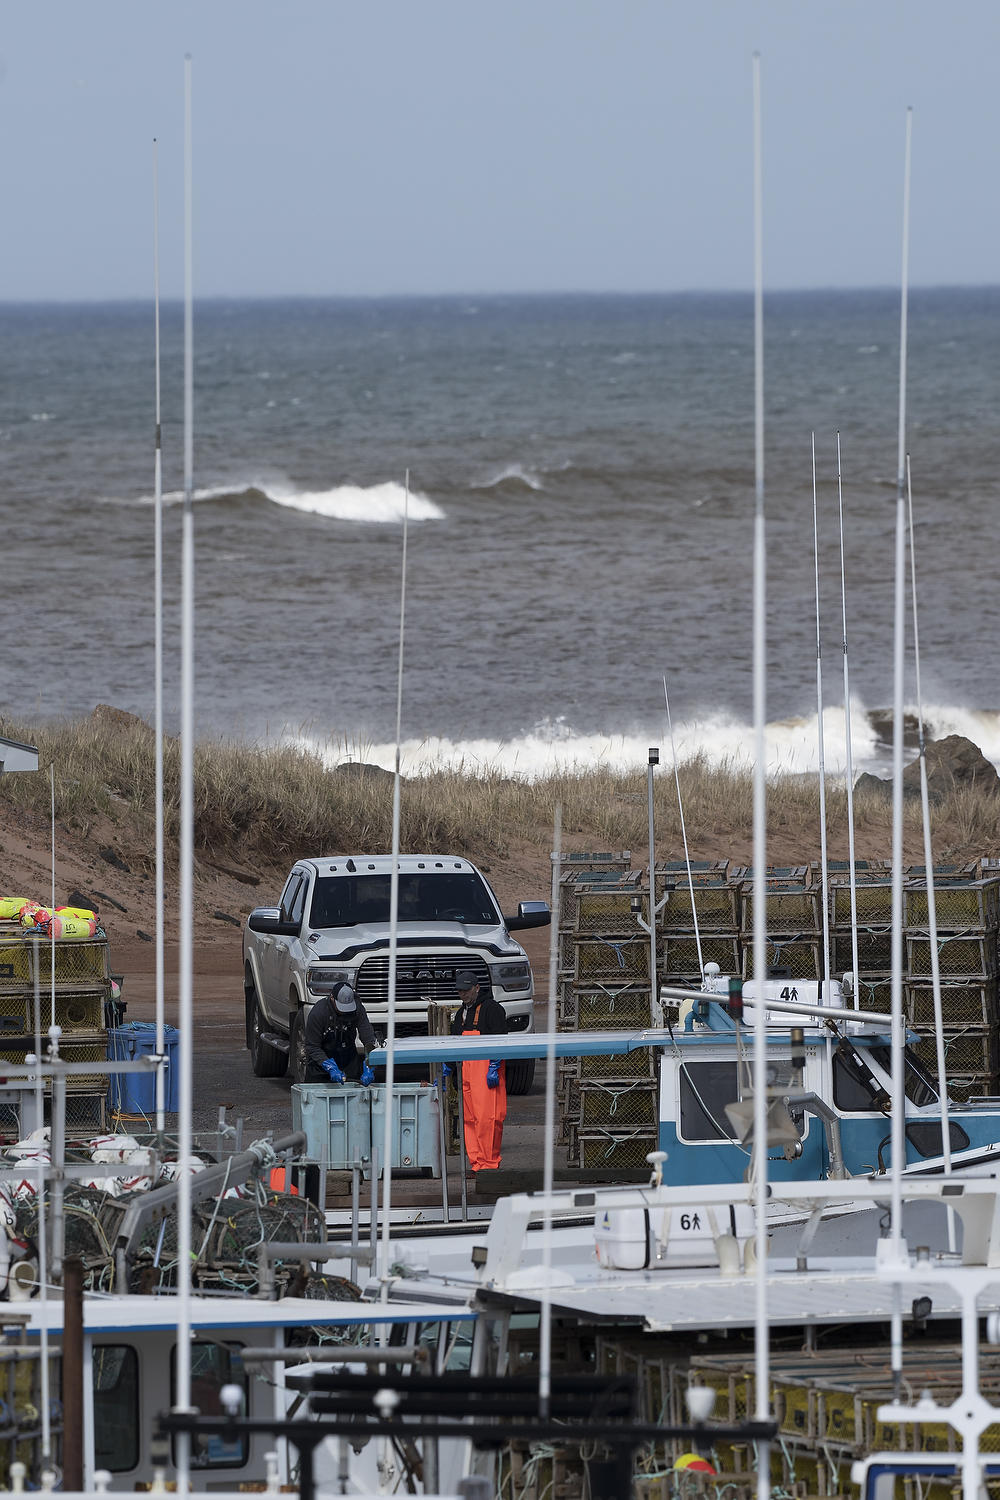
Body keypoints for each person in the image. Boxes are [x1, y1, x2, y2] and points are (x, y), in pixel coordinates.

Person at [448, 969, 508, 1172]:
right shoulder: (461, 1013)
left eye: (466, 990)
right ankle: (477, 1164)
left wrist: (494, 1065)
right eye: (459, 991)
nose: (463, 994)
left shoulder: (492, 1008)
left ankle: (489, 1165)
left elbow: (501, 1039)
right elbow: (454, 1042)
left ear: (477, 988)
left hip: (487, 1073)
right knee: (470, 1119)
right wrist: (447, 1066)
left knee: (488, 1119)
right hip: (467, 1073)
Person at [304, 982, 377, 1084]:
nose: (345, 1012)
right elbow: (312, 1046)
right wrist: (330, 1067)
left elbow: (369, 1039)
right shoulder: (318, 1013)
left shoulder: (358, 1009)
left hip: (348, 1059)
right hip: (320, 1064)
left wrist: (370, 1064)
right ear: (332, 998)